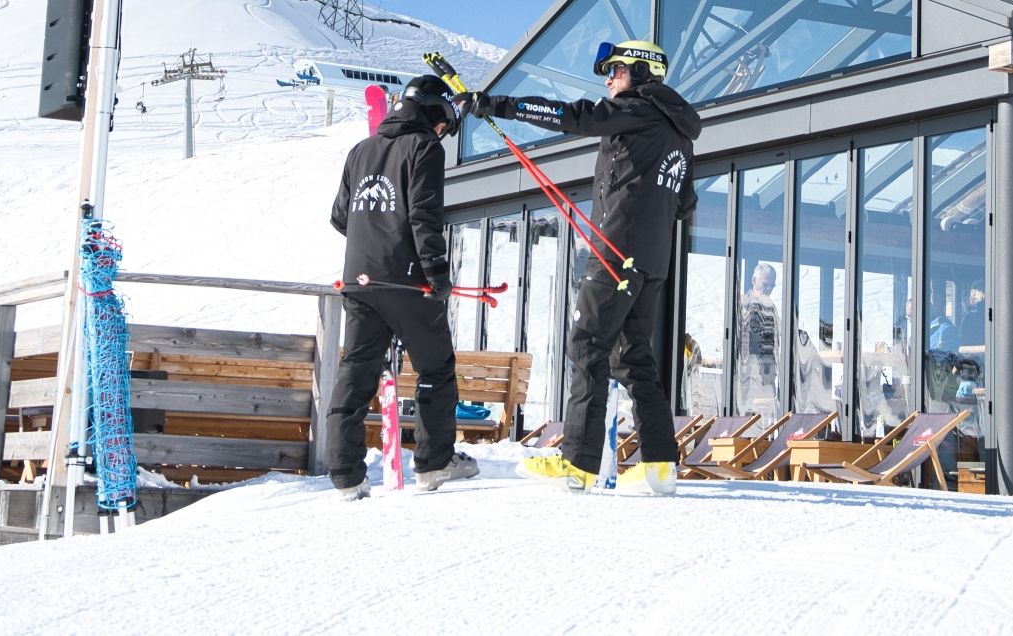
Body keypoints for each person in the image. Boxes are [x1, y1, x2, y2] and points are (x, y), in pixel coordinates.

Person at [468, 38, 699, 494]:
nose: (608, 79)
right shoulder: (680, 133)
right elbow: (684, 203)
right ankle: (660, 466)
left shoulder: (637, 109)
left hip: (615, 254)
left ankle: (578, 461)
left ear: (641, 72)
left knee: (587, 345)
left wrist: (499, 105)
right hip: (651, 262)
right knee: (634, 359)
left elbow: (574, 117)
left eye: (614, 69)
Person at [326, 74, 478, 499]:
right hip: (408, 281)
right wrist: (438, 275)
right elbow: (424, 217)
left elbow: (341, 217)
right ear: (433, 112)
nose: (444, 130)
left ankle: (346, 475)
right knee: (435, 368)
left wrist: (373, 236)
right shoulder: (424, 148)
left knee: (356, 371)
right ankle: (433, 463)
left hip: (359, 280)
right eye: (444, 121)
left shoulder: (361, 151)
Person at [738, 261, 780, 411]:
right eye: (765, 284)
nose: (768, 289)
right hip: (747, 369)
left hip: (767, 369)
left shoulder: (771, 307)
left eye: (771, 285)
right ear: (754, 280)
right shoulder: (743, 303)